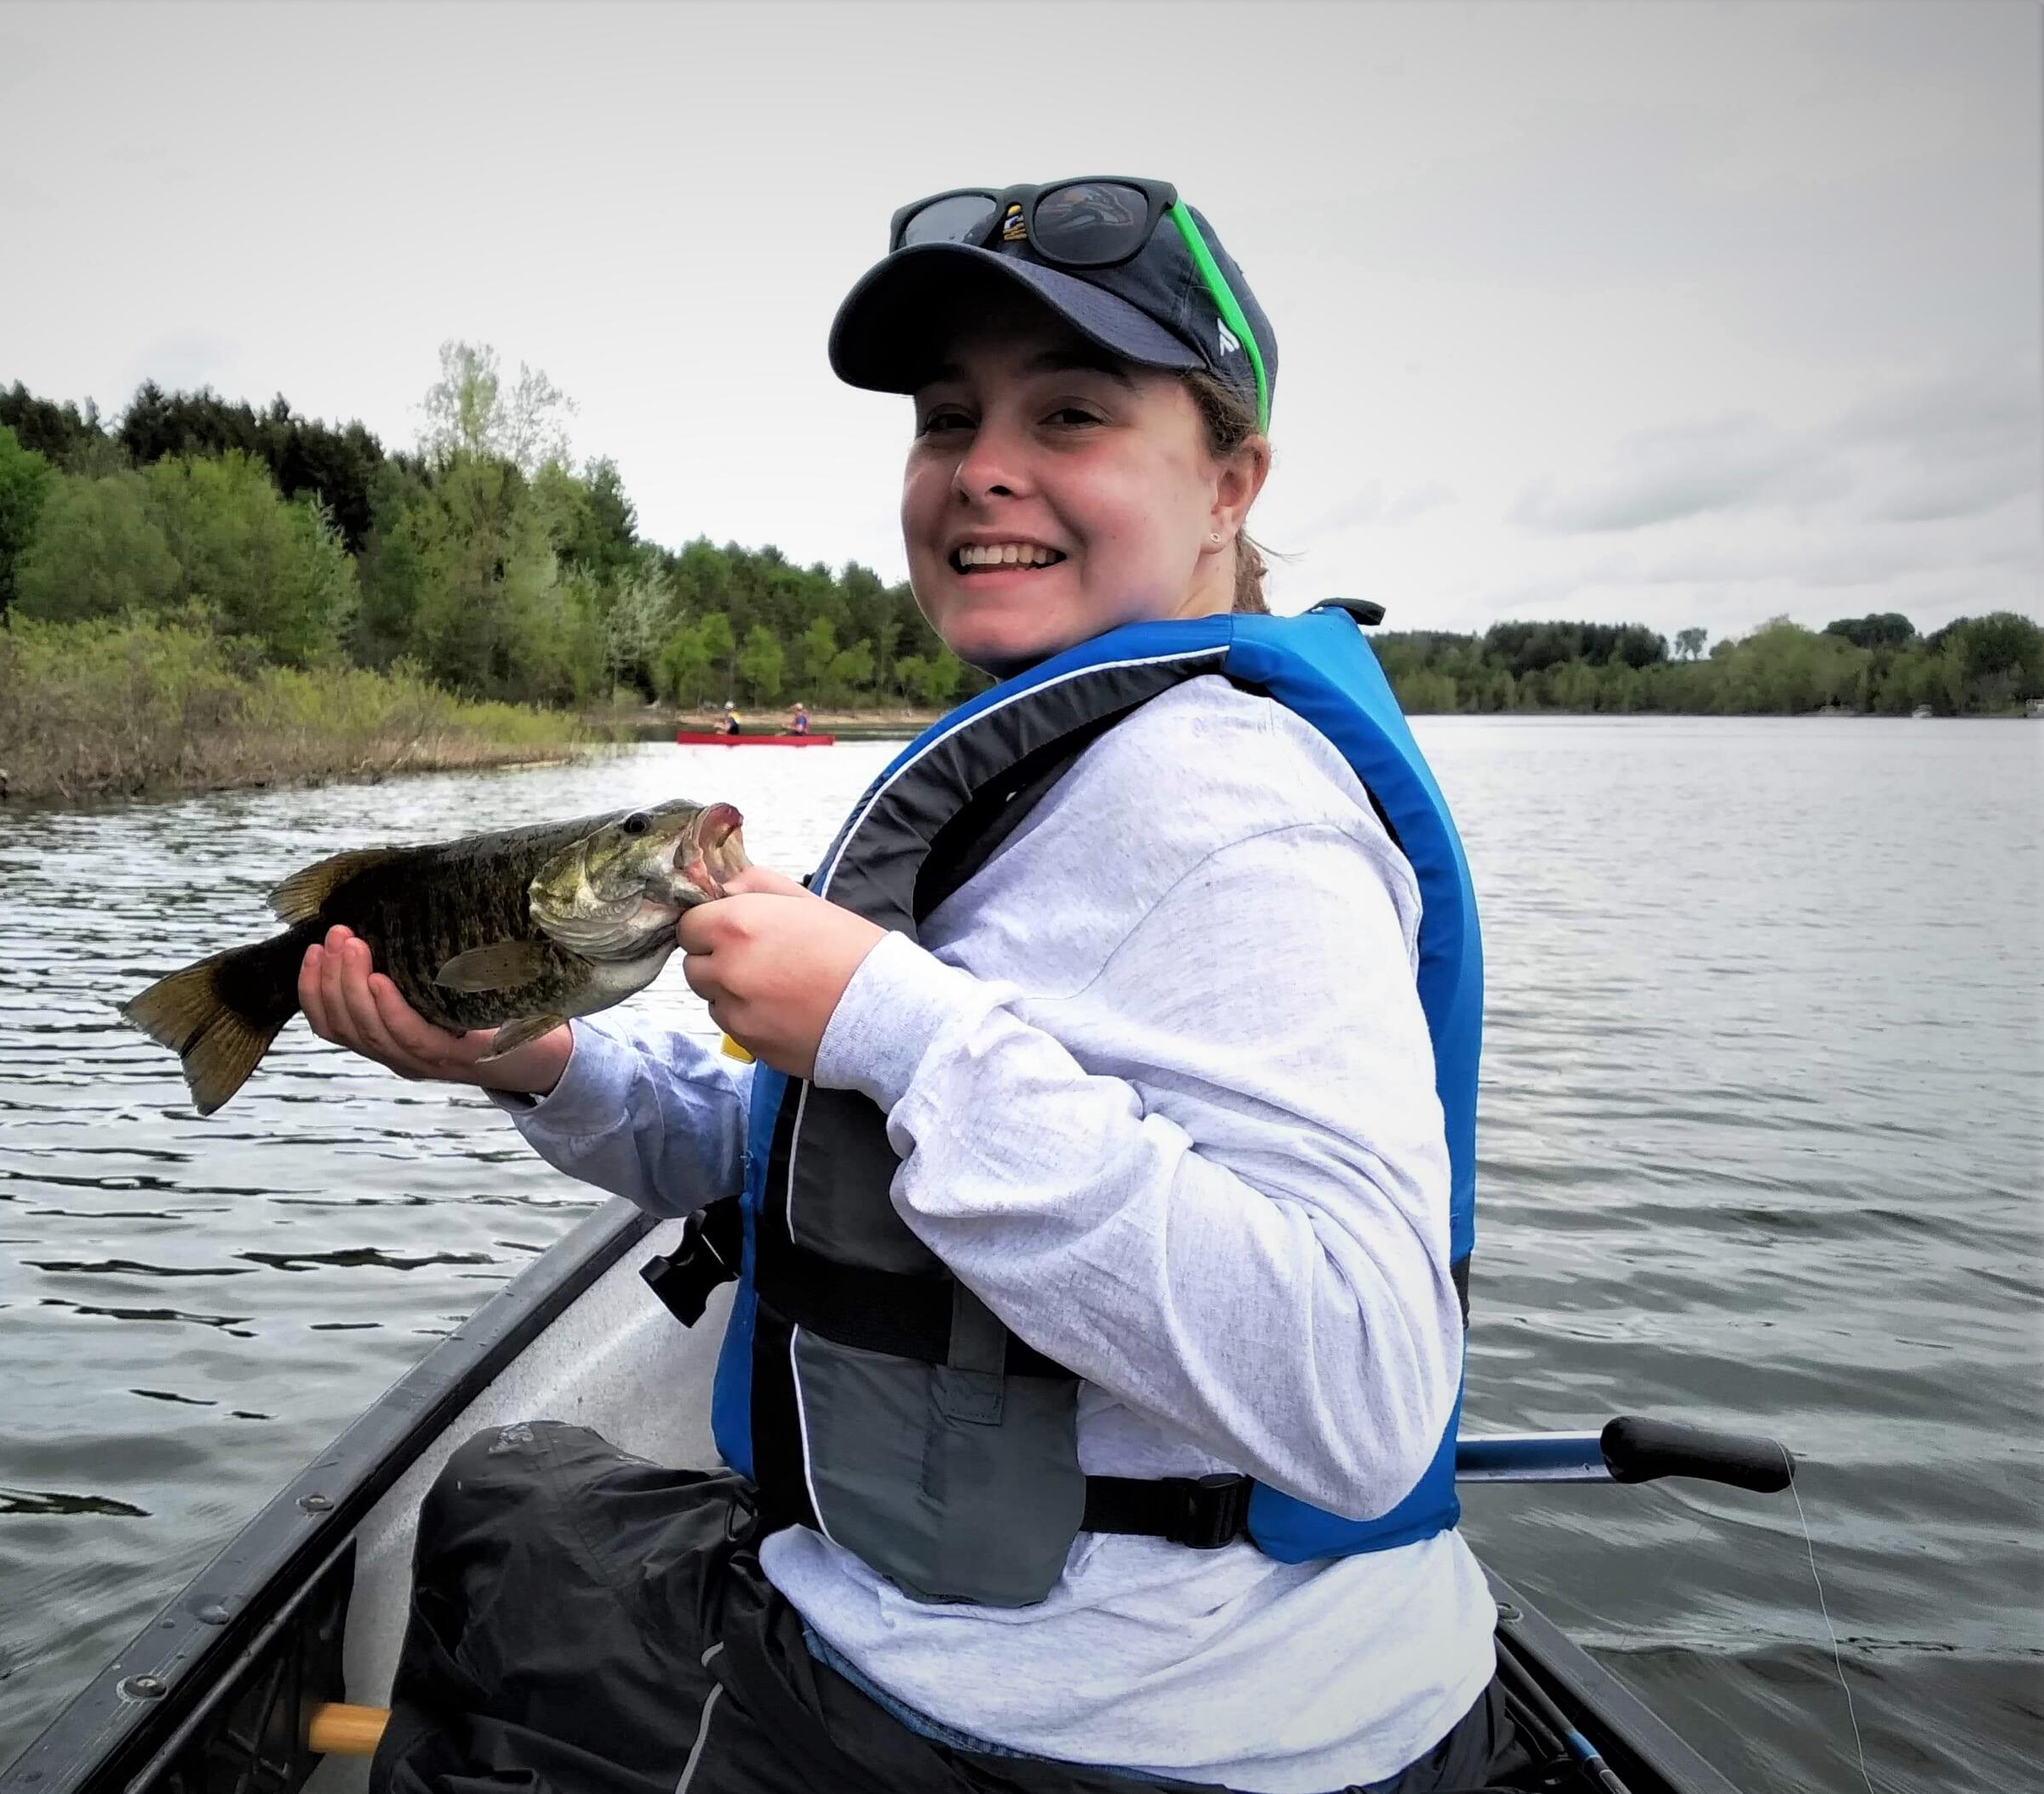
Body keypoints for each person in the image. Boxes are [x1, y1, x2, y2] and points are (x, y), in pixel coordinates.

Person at [296, 177, 1522, 1794]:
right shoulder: (1072, 776)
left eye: (1069, 412)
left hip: (1106, 1726)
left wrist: (889, 1014)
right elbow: (815, 1160)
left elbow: (1362, 1391)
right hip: (1182, 1690)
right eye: (948, 420)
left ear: (1232, 481)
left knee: (494, 1523)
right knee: (514, 1501)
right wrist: (537, 1064)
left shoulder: (1235, 804)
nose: (984, 470)